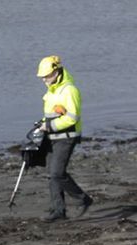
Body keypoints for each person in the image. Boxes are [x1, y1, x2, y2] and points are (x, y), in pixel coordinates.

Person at [36, 55, 92, 222]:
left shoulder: (69, 90)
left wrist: (49, 126)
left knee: (57, 173)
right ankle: (58, 210)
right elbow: (51, 115)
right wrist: (42, 126)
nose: (45, 80)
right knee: (51, 174)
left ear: (57, 71)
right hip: (52, 137)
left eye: (47, 76)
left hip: (67, 137)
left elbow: (72, 118)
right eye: (43, 77)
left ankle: (83, 199)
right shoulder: (51, 90)